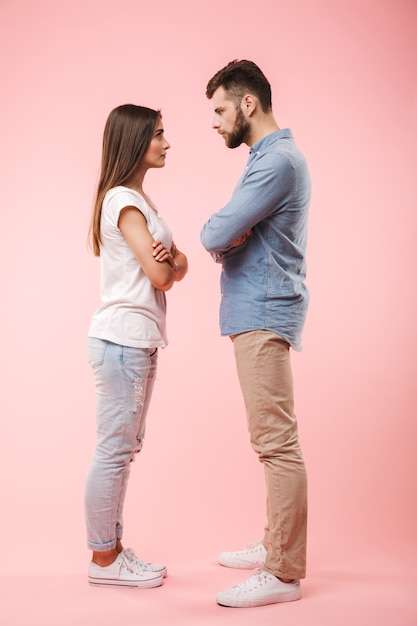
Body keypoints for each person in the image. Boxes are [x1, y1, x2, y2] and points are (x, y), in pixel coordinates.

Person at [200, 60, 310, 608]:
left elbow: (217, 230)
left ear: (248, 104)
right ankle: (275, 544)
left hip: (263, 310)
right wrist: (229, 234)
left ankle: (283, 572)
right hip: (256, 309)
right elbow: (230, 231)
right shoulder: (266, 159)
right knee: (269, 441)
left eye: (220, 109)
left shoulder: (277, 163)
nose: (214, 122)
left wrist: (222, 236)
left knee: (276, 444)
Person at [85, 104, 188, 588]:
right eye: (159, 135)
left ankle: (113, 550)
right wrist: (171, 264)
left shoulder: (139, 202)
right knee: (114, 451)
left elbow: (177, 264)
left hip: (136, 342)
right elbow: (162, 274)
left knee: (123, 450)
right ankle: (104, 559)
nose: (167, 144)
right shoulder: (124, 201)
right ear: (136, 142)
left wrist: (174, 261)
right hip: (123, 341)